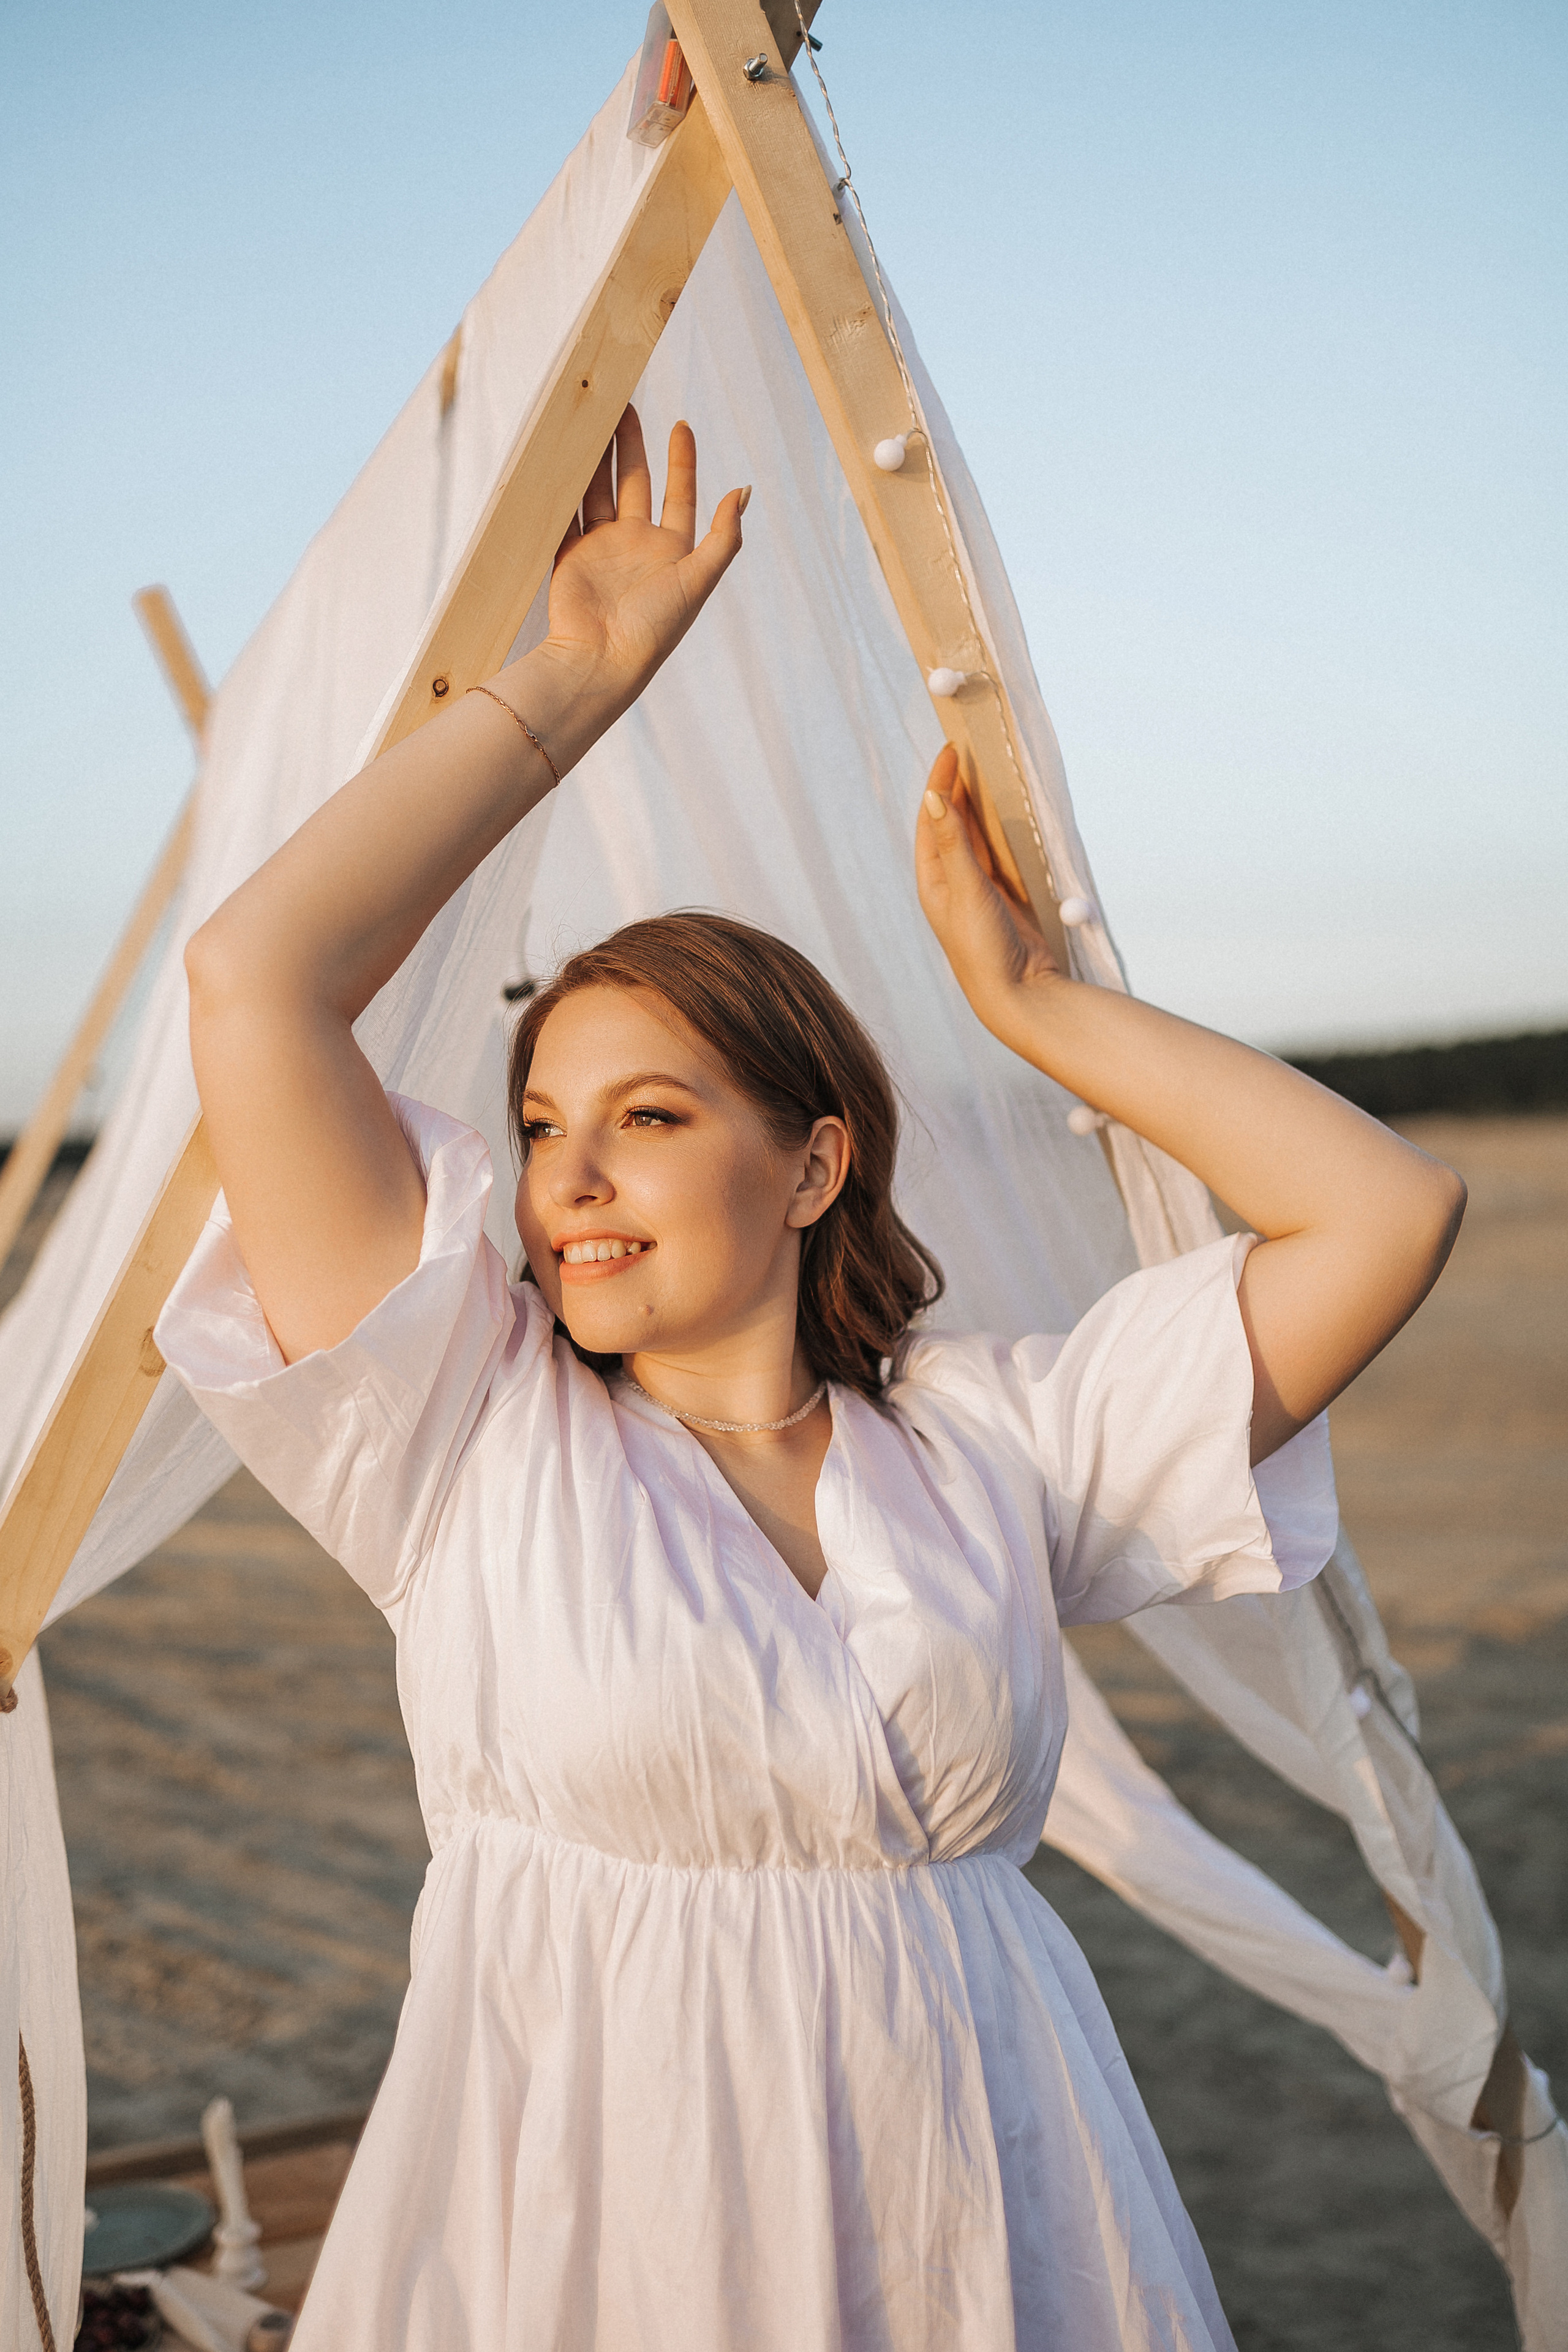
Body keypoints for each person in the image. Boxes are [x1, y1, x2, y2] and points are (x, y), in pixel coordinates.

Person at [157, 410, 1465, 2351]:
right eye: (540, 1126)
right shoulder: (456, 1426)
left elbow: (1381, 1206)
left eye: (651, 1115)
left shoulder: (988, 1441)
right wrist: (571, 682)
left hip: (992, 2211)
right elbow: (257, 979)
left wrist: (1036, 1010)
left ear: (814, 1160)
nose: (569, 1182)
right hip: (598, 2230)